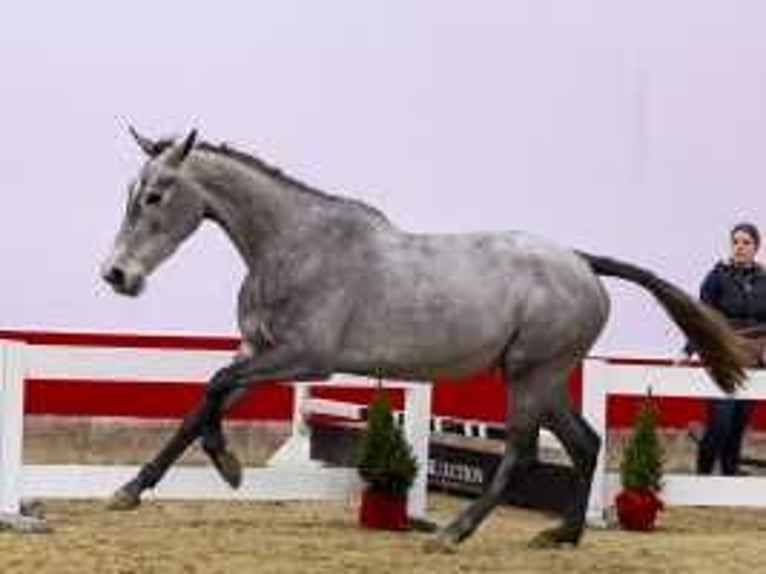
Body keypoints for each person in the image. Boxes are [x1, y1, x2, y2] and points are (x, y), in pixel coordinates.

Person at [696, 222, 766, 475]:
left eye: (746, 242)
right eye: (736, 241)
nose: (740, 247)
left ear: (756, 247)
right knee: (720, 424)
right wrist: (687, 350)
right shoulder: (717, 277)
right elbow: (701, 317)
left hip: (754, 362)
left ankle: (729, 475)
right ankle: (702, 474)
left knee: (738, 425)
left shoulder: (764, 280)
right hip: (723, 359)